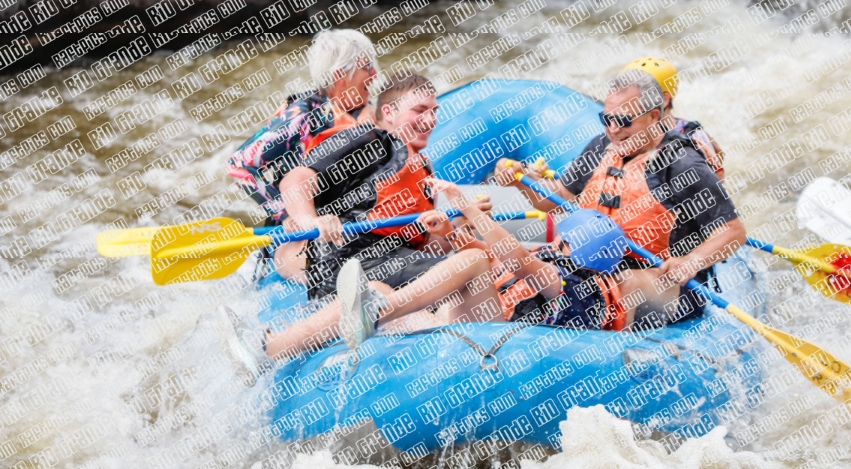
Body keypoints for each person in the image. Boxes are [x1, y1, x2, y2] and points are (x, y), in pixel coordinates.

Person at [220, 176, 687, 376]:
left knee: (475, 261)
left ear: (574, 250)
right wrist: (449, 232)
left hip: (492, 334)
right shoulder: (594, 278)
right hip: (468, 318)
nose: (556, 243)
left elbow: (512, 257)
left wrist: (466, 207)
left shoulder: (568, 282)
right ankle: (273, 349)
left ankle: (376, 309)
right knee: (380, 286)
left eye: (563, 241)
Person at [219, 72, 488, 381]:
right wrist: (310, 220)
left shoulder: (423, 172)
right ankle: (269, 347)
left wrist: (458, 225)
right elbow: (296, 181)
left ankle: (445, 350)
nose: (429, 120)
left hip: (392, 263)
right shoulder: (369, 142)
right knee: (466, 267)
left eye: (434, 111)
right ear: (388, 112)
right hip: (348, 258)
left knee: (445, 279)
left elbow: (425, 247)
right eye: (418, 111)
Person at [495, 70, 745, 325]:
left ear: (653, 116)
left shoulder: (682, 164)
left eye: (624, 121)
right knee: (540, 260)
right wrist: (520, 182)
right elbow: (555, 199)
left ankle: (612, 354)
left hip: (665, 283)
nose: (614, 130)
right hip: (592, 267)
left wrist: (691, 261)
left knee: (622, 283)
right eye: (607, 119)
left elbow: (733, 231)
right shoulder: (601, 147)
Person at [227, 29, 379, 224]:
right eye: (367, 67)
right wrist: (286, 214)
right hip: (303, 234)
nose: (375, 74)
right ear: (341, 75)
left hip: (348, 225)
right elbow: (239, 166)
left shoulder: (365, 110)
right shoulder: (302, 114)